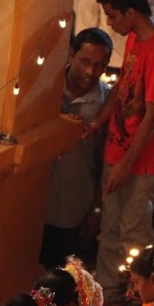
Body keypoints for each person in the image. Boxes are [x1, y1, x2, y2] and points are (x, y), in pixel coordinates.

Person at [83, 0, 154, 306]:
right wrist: (98, 121)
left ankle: (140, 304)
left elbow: (151, 116)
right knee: (110, 229)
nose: (110, 23)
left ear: (132, 12)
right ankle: (108, 297)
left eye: (113, 16)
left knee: (134, 235)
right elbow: (124, 85)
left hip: (139, 163)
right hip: (117, 150)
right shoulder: (137, 38)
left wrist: (126, 165)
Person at [42, 28, 113, 269]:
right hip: (34, 203)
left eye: (99, 65)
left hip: (73, 211)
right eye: (85, 61)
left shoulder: (105, 105)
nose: (90, 72)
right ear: (71, 55)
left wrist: (96, 208)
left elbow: (105, 161)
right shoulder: (46, 89)